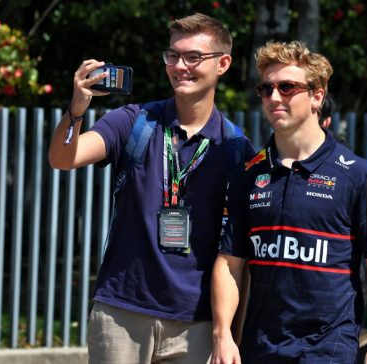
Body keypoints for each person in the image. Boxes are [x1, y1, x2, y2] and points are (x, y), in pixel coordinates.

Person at [48, 13, 255, 364]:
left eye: (193, 57)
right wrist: (77, 107)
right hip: (122, 314)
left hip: (196, 322)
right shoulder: (134, 121)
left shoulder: (236, 149)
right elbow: (64, 158)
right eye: (172, 56)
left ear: (223, 64)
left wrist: (231, 333)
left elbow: (238, 255)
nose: (179, 66)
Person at [211, 40, 367, 364]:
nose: (273, 97)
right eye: (265, 88)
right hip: (261, 349)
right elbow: (229, 263)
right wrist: (223, 335)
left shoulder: (357, 174)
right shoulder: (245, 176)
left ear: (317, 95)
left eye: (286, 87)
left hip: (329, 349)